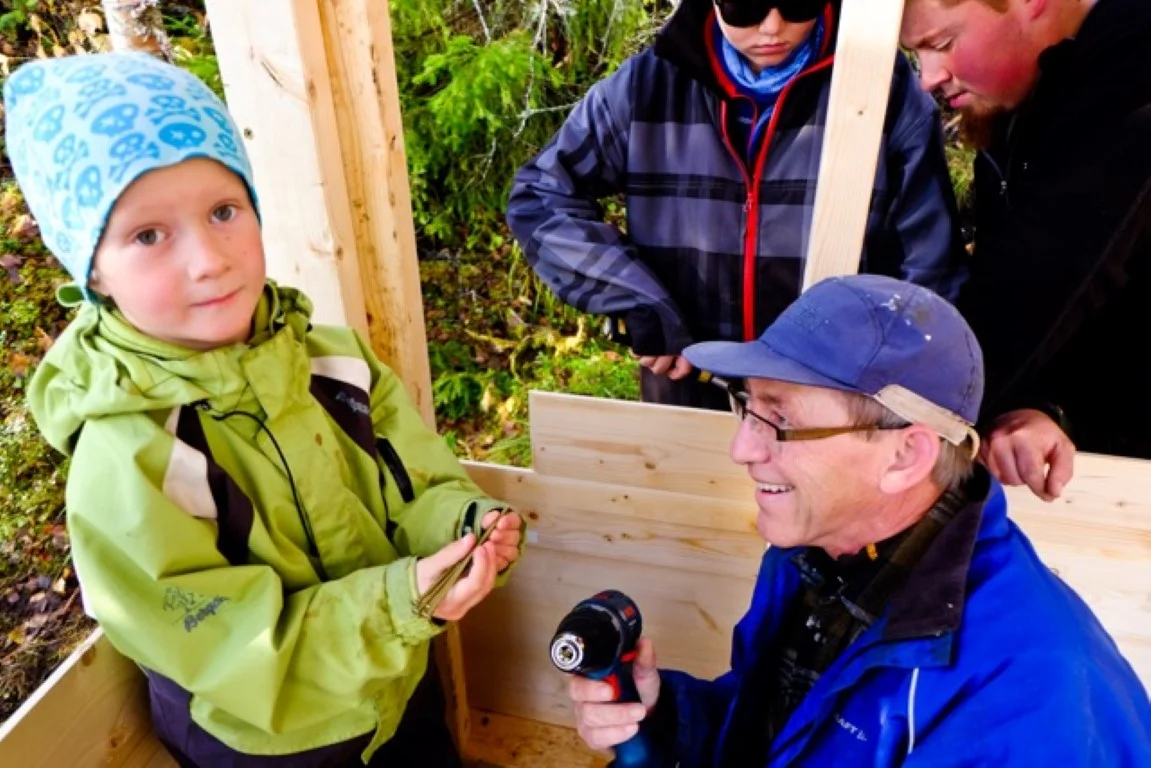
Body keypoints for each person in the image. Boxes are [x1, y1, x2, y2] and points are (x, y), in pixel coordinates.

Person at [4, 52, 524, 767]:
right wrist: (399, 603)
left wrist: (465, 526)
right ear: (91, 269)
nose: (209, 259)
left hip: (396, 685)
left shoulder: (333, 361)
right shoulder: (130, 459)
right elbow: (229, 649)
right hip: (268, 741)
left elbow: (417, 486)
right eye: (149, 235)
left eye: (224, 211)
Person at [566, 274, 1151, 765]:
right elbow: (782, 731)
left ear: (906, 455)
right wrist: (665, 716)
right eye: (746, 405)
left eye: (780, 419)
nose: (742, 448)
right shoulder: (818, 555)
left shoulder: (1029, 697)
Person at [506, 0, 967, 411]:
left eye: (796, 3)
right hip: (688, 390)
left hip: (834, 407)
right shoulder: (645, 88)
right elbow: (540, 196)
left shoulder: (883, 93)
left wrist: (893, 380)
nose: (772, 26)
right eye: (745, 6)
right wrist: (638, 301)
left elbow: (930, 269)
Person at [901, 0, 1151, 500]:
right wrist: (1035, 403)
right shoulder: (1036, 90)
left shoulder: (1133, 80)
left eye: (944, 43)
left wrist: (898, 426)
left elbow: (1046, 275)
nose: (928, 77)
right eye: (917, 53)